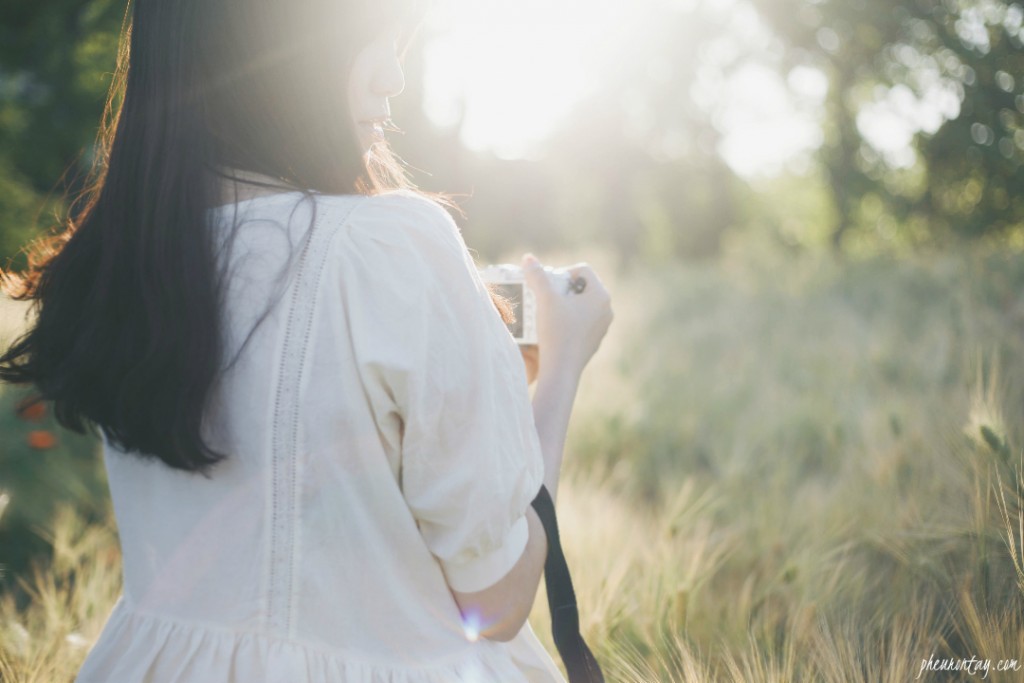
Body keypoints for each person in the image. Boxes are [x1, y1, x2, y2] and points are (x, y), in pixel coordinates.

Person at [0, 0, 613, 680]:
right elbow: (496, 599)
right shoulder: (388, 248)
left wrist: (472, 391)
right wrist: (560, 372)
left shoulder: (123, 265)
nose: (393, 78)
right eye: (364, 40)